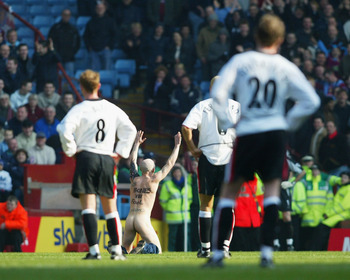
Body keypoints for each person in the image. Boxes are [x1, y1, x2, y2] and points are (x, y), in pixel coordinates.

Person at [206, 14, 320, 267]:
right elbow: (311, 100)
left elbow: (218, 92)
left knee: (229, 191)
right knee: (271, 192)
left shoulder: (241, 60)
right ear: (280, 39)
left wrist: (227, 122)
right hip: (275, 133)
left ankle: (216, 255)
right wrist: (286, 123)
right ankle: (267, 254)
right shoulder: (285, 66)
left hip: (247, 132)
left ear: (256, 36)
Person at [57, 70, 137, 260]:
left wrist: (72, 150)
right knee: (111, 208)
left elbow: (63, 129)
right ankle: (117, 250)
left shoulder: (79, 109)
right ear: (99, 86)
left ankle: (94, 251)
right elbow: (130, 129)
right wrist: (120, 153)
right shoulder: (111, 108)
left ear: (81, 87)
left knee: (89, 207)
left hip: (87, 157)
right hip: (107, 158)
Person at [182, 76, 240, 258]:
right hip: (230, 155)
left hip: (207, 156)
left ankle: (205, 249)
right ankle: (224, 248)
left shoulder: (202, 105)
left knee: (205, 205)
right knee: (227, 205)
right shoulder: (237, 106)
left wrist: (193, 149)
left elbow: (186, 127)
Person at [122, 130, 181, 254]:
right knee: (157, 250)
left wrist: (136, 144)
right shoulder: (154, 180)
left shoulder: (134, 179)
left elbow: (133, 161)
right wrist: (177, 146)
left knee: (125, 250)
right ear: (153, 169)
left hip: (130, 218)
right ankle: (145, 248)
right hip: (142, 219)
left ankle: (116, 248)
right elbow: (169, 164)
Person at [159, 164, 193, 252]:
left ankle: (187, 251)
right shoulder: (167, 185)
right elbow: (163, 201)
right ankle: (171, 251)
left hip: (185, 216)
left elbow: (190, 199)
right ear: (172, 174)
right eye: (175, 172)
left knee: (186, 237)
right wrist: (170, 209)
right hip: (172, 217)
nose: (177, 174)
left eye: (179, 172)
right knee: (172, 237)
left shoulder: (187, 184)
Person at [83, 2, 117, 71]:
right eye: (98, 8)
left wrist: (110, 46)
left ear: (105, 9)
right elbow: (86, 36)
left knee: (107, 71)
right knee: (95, 73)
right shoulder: (91, 22)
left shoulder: (110, 21)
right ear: (95, 9)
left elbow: (114, 35)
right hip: (94, 50)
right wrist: (89, 47)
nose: (100, 10)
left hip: (106, 50)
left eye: (101, 8)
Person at [48, 9, 80, 76]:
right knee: (57, 76)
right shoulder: (55, 28)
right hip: (57, 58)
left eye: (68, 15)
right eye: (65, 15)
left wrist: (72, 52)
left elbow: (77, 42)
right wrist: (55, 53)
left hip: (69, 58)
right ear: (62, 15)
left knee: (70, 77)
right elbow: (50, 41)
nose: (66, 17)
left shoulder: (73, 29)